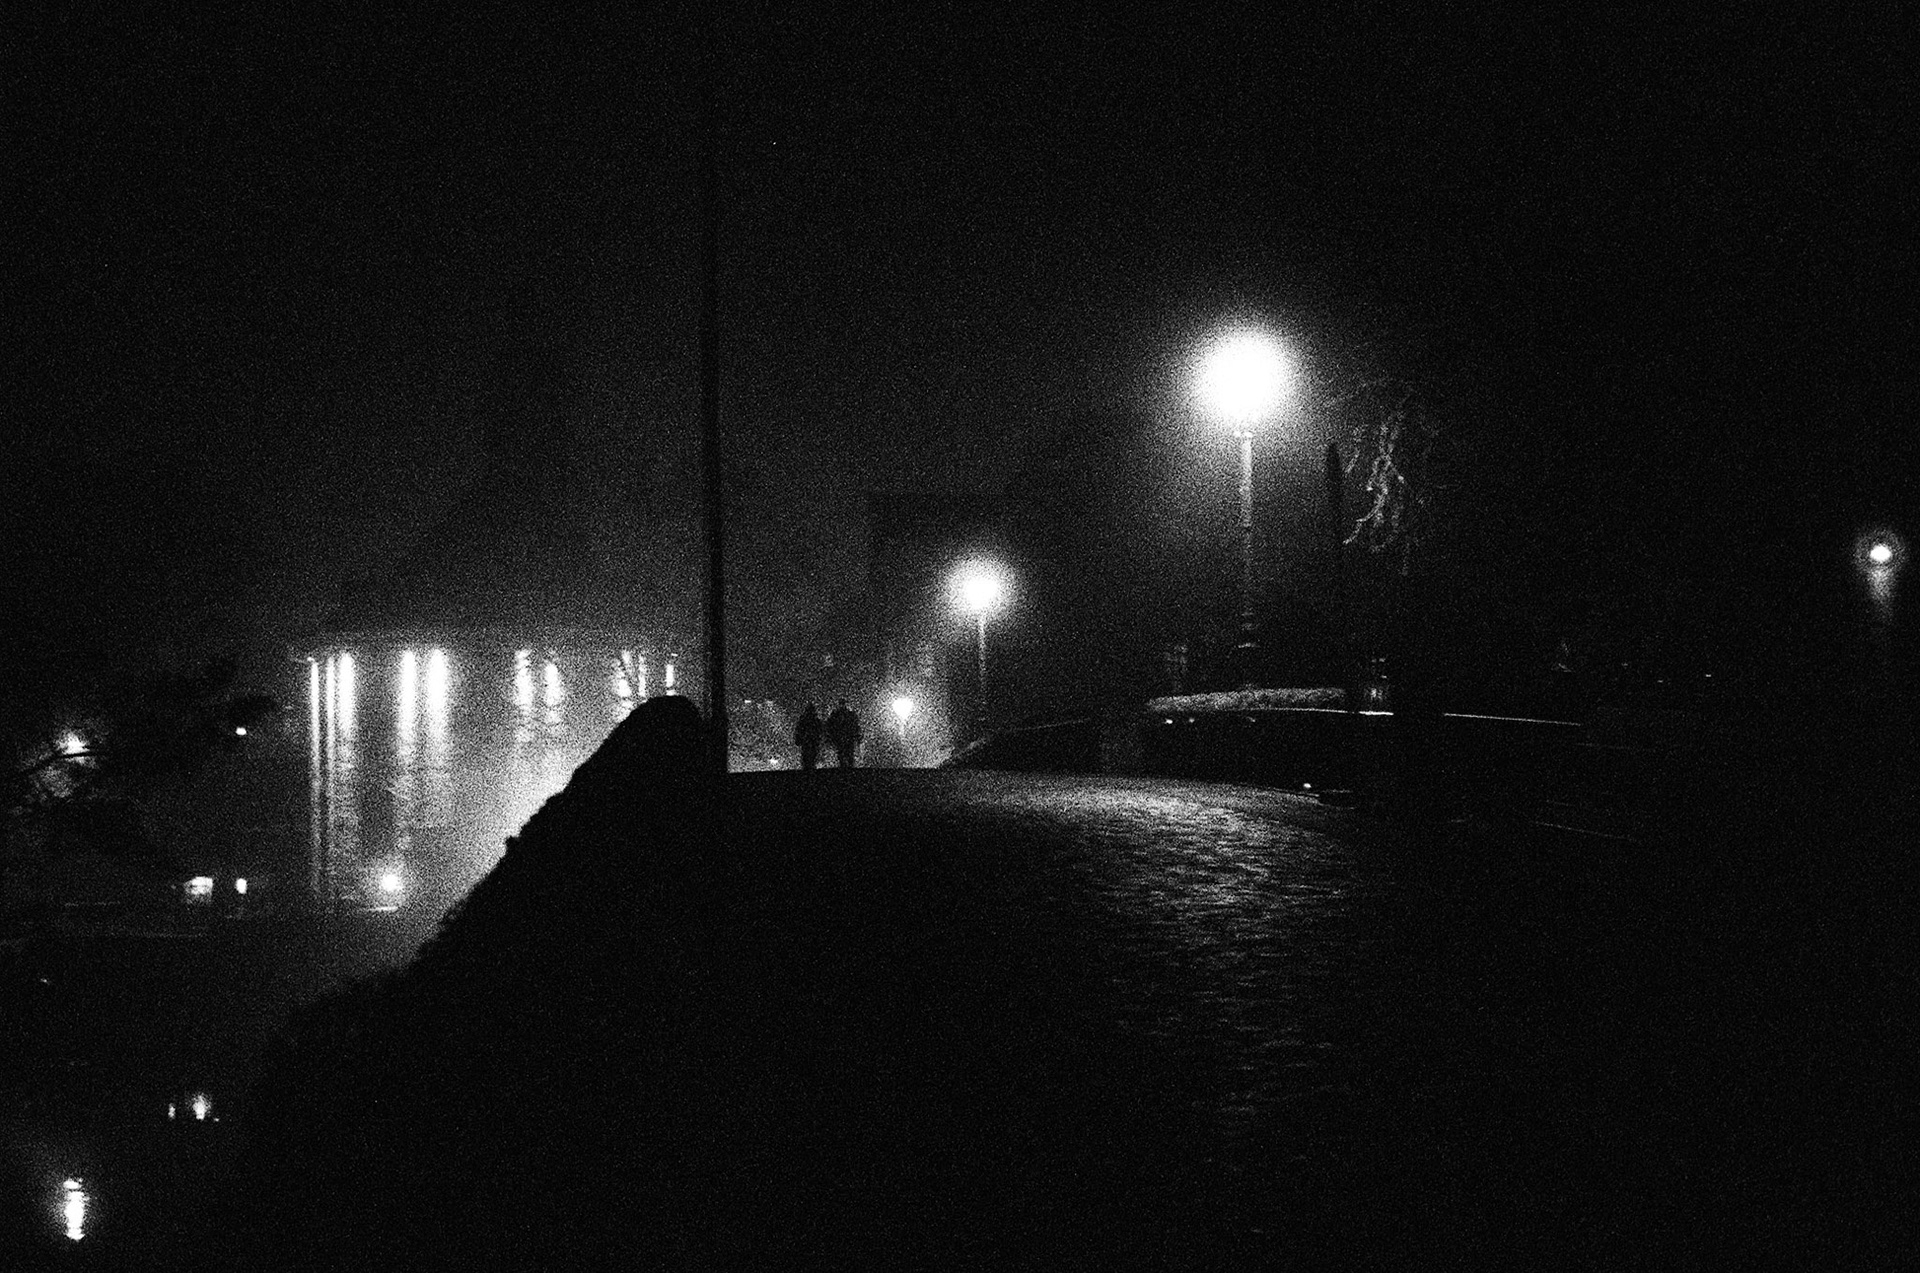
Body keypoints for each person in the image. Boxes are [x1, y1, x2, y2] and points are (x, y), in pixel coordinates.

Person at [824, 699, 862, 769]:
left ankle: (846, 767)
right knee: (847, 753)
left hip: (842, 736)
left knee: (844, 753)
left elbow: (829, 725)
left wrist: (829, 736)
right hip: (846, 736)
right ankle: (848, 768)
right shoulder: (849, 714)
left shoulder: (837, 714)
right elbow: (856, 725)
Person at [793, 702, 824, 770]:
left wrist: (798, 740)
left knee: (806, 758)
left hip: (806, 741)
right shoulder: (816, 720)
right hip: (813, 741)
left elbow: (799, 731)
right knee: (812, 758)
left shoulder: (803, 720)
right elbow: (820, 731)